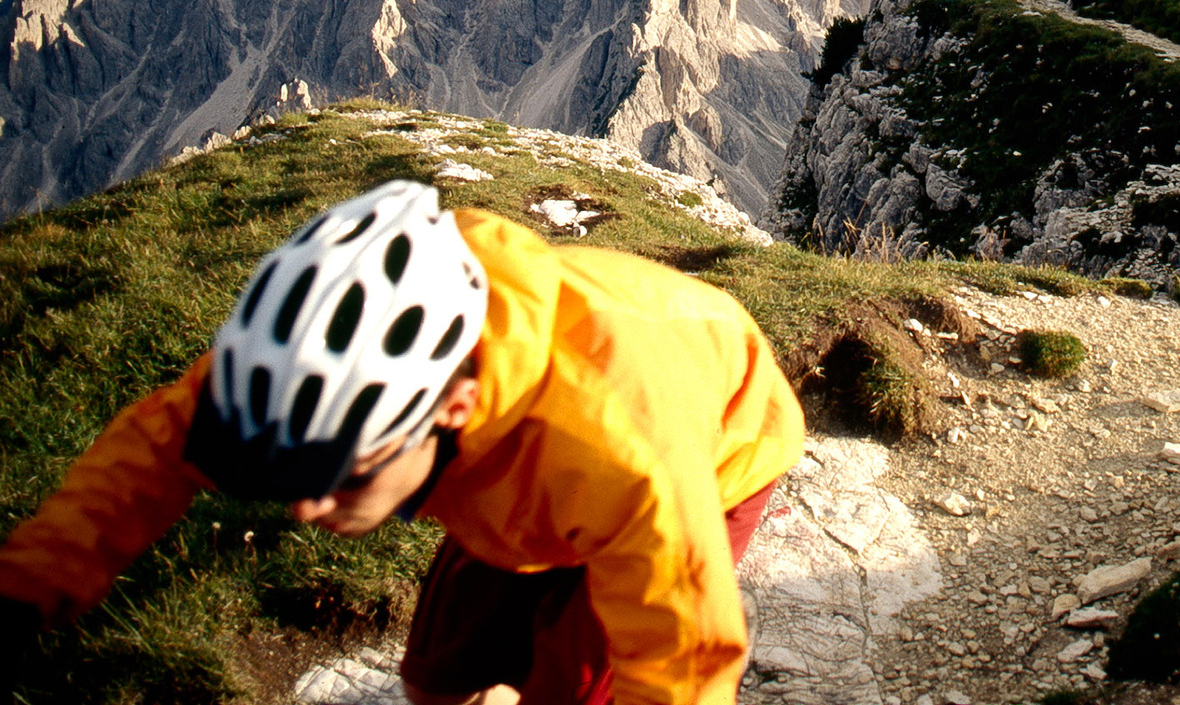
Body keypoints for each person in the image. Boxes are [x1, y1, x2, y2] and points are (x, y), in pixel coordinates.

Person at [0, 180, 805, 705]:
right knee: (439, 677)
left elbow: (682, 664)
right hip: (517, 459)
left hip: (724, 436)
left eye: (340, 473)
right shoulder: (310, 363)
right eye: (297, 464)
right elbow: (160, 445)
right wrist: (26, 588)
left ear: (451, 408)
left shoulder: (621, 453)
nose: (307, 507)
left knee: (575, 687)